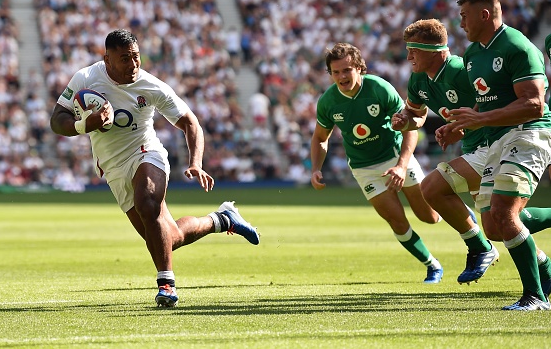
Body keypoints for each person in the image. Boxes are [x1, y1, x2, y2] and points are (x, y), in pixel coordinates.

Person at [50, 29, 260, 308]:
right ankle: (222, 219)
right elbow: (57, 120)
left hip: (147, 152)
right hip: (112, 167)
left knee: (148, 203)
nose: (133, 65)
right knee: (168, 238)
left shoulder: (151, 85)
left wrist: (195, 162)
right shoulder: (86, 79)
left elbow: (190, 122)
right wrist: (83, 126)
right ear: (107, 60)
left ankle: (167, 285)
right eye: (124, 59)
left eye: (136, 57)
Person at [392, 19, 551, 293]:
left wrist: (465, 126)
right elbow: (416, 115)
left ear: (434, 51)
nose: (408, 57)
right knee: (499, 225)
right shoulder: (418, 78)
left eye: (413, 51)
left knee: (432, 188)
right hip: (476, 150)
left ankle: (479, 248)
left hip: (492, 144)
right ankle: (545, 269)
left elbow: (493, 102)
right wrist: (404, 120)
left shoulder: (460, 70)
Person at [438, 0, 551, 310]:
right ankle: (546, 271)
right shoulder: (473, 54)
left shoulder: (517, 47)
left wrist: (481, 118)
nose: (460, 23)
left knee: (504, 212)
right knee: (493, 226)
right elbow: (484, 104)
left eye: (464, 16)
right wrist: (459, 124)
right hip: (497, 139)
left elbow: (534, 105)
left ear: (484, 14)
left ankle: (535, 297)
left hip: (528, 133)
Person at [310, 42, 444, 284]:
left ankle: (461, 214)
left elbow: (410, 127)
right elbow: (320, 138)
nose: (342, 76)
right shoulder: (328, 101)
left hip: (396, 155)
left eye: (347, 70)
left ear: (360, 68)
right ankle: (432, 266)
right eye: (336, 72)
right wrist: (316, 169)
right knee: (396, 220)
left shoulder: (379, 88)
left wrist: (402, 165)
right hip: (364, 168)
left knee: (429, 216)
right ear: (330, 74)